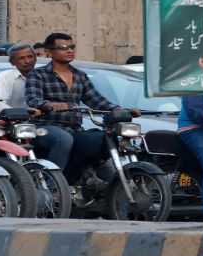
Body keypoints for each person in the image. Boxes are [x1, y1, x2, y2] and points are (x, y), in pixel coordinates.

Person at [25, 33, 139, 179]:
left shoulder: (80, 75)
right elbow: (33, 99)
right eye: (62, 47)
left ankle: (91, 177)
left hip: (75, 129)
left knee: (103, 139)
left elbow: (96, 100)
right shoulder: (37, 74)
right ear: (49, 52)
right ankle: (52, 184)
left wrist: (118, 109)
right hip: (45, 127)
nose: (69, 50)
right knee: (64, 139)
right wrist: (48, 105)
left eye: (72, 47)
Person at [0, 43, 39, 111]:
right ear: (12, 62)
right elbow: (1, 104)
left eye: (30, 57)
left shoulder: (43, 75)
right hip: (13, 119)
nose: (27, 61)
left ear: (35, 58)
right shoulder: (5, 77)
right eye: (21, 58)